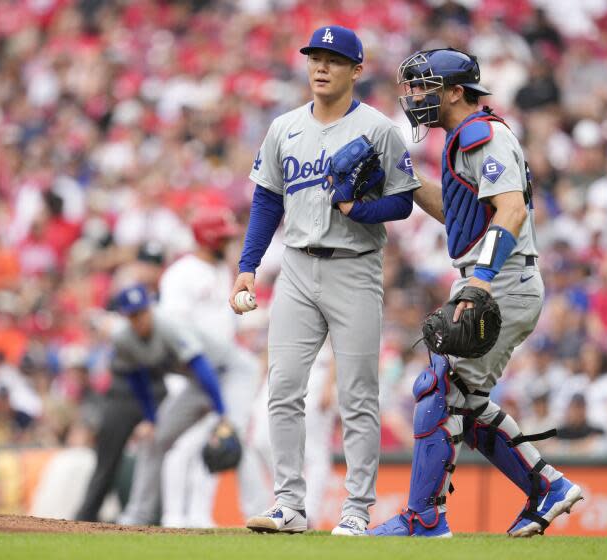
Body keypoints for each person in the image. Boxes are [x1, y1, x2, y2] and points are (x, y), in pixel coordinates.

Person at [370, 48, 582, 538]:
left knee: (439, 394)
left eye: (425, 87)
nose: (415, 97)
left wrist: (480, 281)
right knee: (462, 397)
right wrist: (403, 177)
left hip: (501, 279)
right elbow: (458, 214)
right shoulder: (462, 140)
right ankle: (547, 485)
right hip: (492, 276)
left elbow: (510, 211)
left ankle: (424, 517)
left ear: (456, 92)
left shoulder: (482, 135)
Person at [229, 25, 420, 536]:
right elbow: (267, 200)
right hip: (295, 265)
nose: (321, 66)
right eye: (315, 57)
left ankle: (357, 509)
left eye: (333, 59)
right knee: (284, 386)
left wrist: (360, 208)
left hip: (354, 266)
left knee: (357, 395)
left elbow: (403, 199)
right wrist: (248, 266)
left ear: (356, 70)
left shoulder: (379, 129)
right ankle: (288, 504)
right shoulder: (284, 127)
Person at [152, 207, 270, 528]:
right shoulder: (182, 272)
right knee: (183, 444)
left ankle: (200, 514)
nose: (229, 242)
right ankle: (175, 515)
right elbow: (172, 326)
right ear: (208, 238)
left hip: (224, 369)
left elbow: (224, 326)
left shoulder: (221, 271)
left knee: (222, 440)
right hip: (192, 370)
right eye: (223, 237)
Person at [77, 284, 230, 523]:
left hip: (227, 374)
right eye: (133, 315)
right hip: (195, 384)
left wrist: (222, 412)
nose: (139, 319)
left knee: (239, 441)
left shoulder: (167, 325)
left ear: (150, 308)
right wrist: (150, 418)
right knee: (153, 440)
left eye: (142, 312)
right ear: (125, 317)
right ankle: (140, 514)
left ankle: (261, 510)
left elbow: (202, 365)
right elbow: (138, 379)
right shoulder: (124, 338)